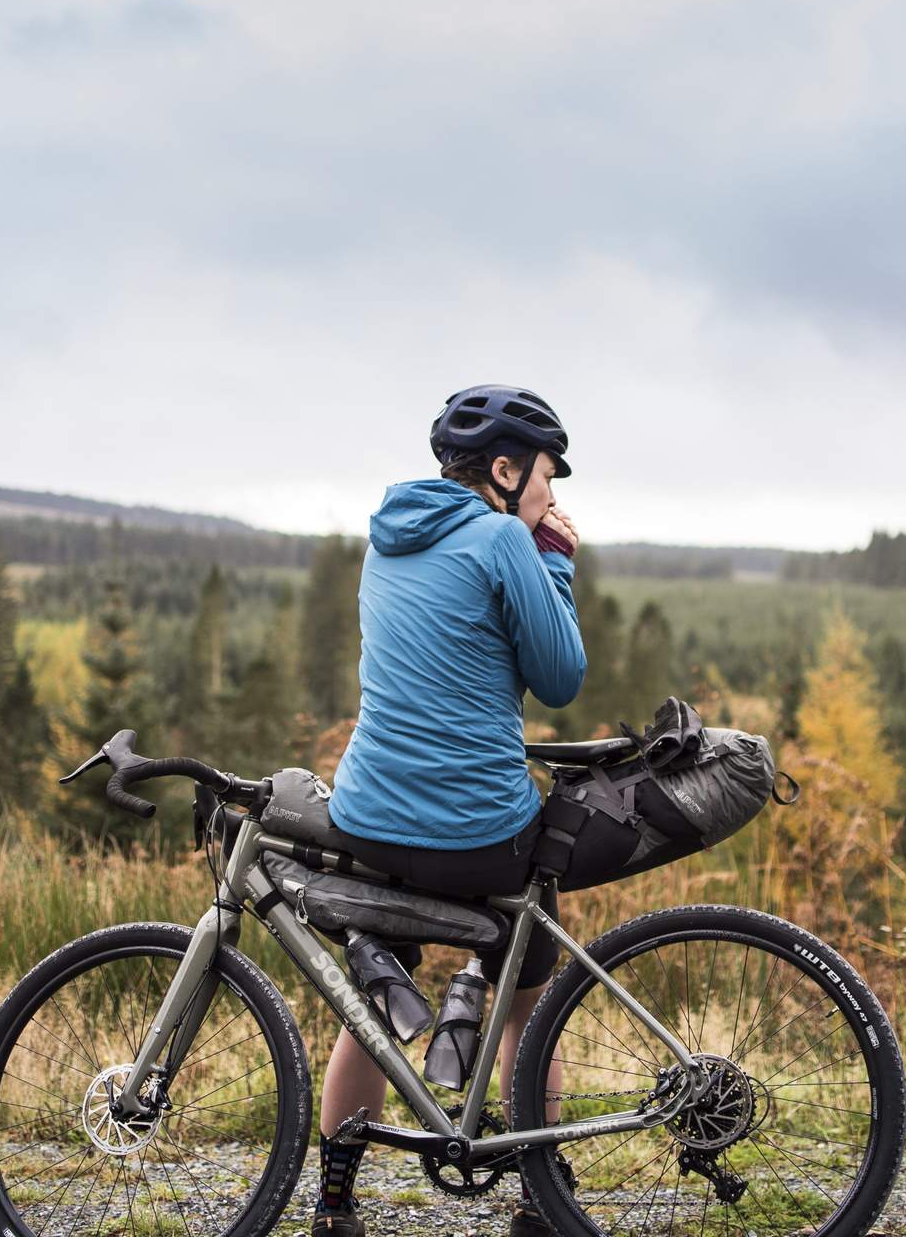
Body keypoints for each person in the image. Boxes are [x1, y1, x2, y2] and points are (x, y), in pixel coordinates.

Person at [310, 386, 586, 1237]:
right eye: (546, 475)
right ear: (504, 472)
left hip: (365, 819)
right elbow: (561, 678)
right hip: (478, 837)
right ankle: (540, 1189)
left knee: (374, 987)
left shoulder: (382, 538)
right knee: (528, 972)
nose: (552, 494)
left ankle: (334, 1203)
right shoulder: (508, 536)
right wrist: (556, 562)